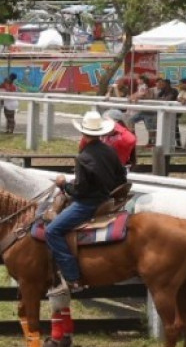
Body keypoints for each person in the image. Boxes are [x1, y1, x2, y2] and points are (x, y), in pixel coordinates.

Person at [45, 111, 131, 295]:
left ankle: (72, 277)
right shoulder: (110, 151)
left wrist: (63, 184)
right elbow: (122, 177)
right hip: (107, 201)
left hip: (88, 204)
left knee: (52, 231)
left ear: (83, 133)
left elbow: (80, 191)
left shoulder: (83, 158)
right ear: (100, 132)